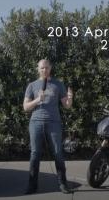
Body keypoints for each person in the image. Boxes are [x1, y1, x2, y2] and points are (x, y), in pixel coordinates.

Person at [23, 59, 73, 194]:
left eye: (46, 68)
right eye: (42, 68)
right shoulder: (32, 85)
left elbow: (66, 105)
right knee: (35, 153)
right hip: (36, 123)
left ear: (50, 68)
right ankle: (32, 185)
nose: (44, 70)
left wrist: (70, 98)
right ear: (38, 69)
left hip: (54, 123)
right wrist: (38, 100)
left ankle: (63, 184)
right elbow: (26, 107)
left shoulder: (58, 85)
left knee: (58, 153)